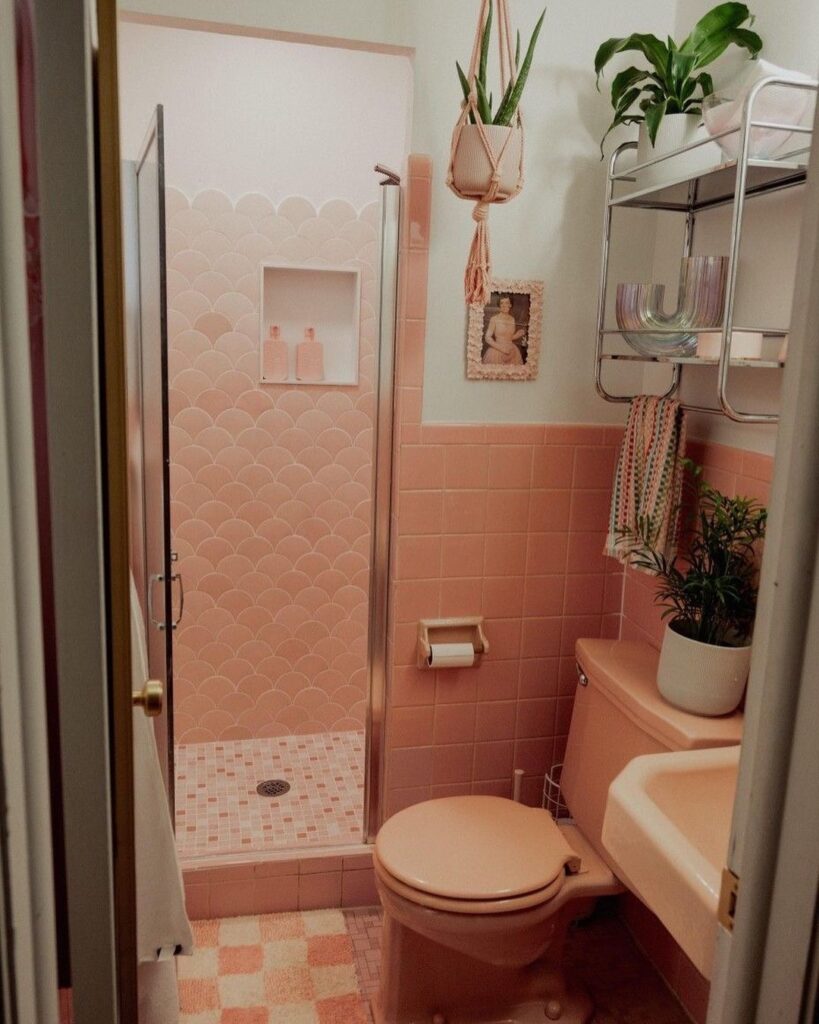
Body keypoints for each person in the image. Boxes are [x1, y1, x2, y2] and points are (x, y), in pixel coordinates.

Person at [482, 294, 526, 365]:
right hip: (497, 351)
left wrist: (518, 334)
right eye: (501, 303)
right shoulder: (494, 319)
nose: (504, 305)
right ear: (499, 306)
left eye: (506, 303)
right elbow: (487, 337)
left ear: (510, 305)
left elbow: (508, 337)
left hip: (512, 351)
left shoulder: (512, 319)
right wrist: (502, 349)